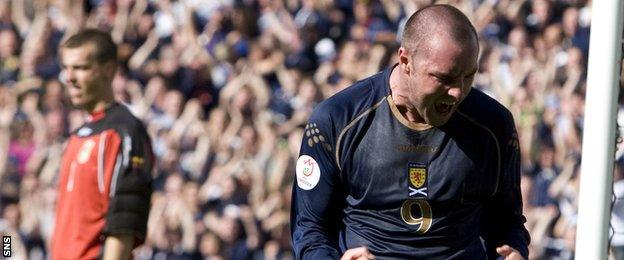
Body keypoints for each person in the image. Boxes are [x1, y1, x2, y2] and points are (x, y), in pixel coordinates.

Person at [291, 4, 530, 260]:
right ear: (406, 61)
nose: (458, 91)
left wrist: (514, 251)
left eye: (468, 76)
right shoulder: (336, 120)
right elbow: (309, 229)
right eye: (444, 78)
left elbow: (508, 223)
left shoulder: (494, 125)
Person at [51, 29, 154, 260]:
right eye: (66, 68)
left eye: (81, 68)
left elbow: (124, 219)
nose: (70, 77)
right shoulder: (78, 135)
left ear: (108, 70)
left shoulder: (124, 131)